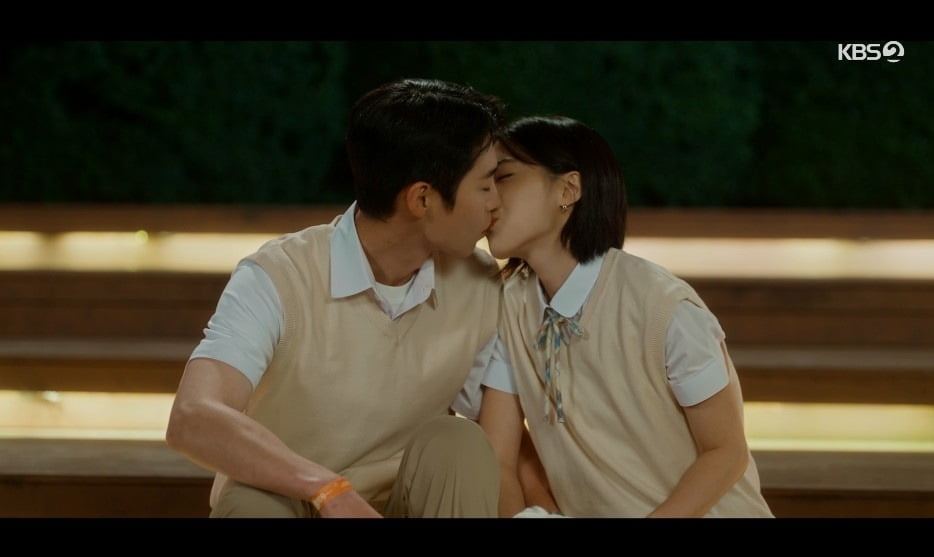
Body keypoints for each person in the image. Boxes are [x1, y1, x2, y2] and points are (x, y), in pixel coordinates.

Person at [165, 78, 511, 518]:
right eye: (486, 185)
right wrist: (328, 489)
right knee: (248, 502)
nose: (497, 202)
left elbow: (505, 441)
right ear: (422, 198)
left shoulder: (479, 283)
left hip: (402, 507)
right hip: (292, 499)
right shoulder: (279, 274)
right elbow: (193, 417)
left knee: (459, 443)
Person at [478, 115, 774, 518]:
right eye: (486, 182)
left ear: (568, 189)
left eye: (505, 177)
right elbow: (498, 457)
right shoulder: (509, 307)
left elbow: (725, 452)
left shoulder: (662, 306)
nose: (489, 198)